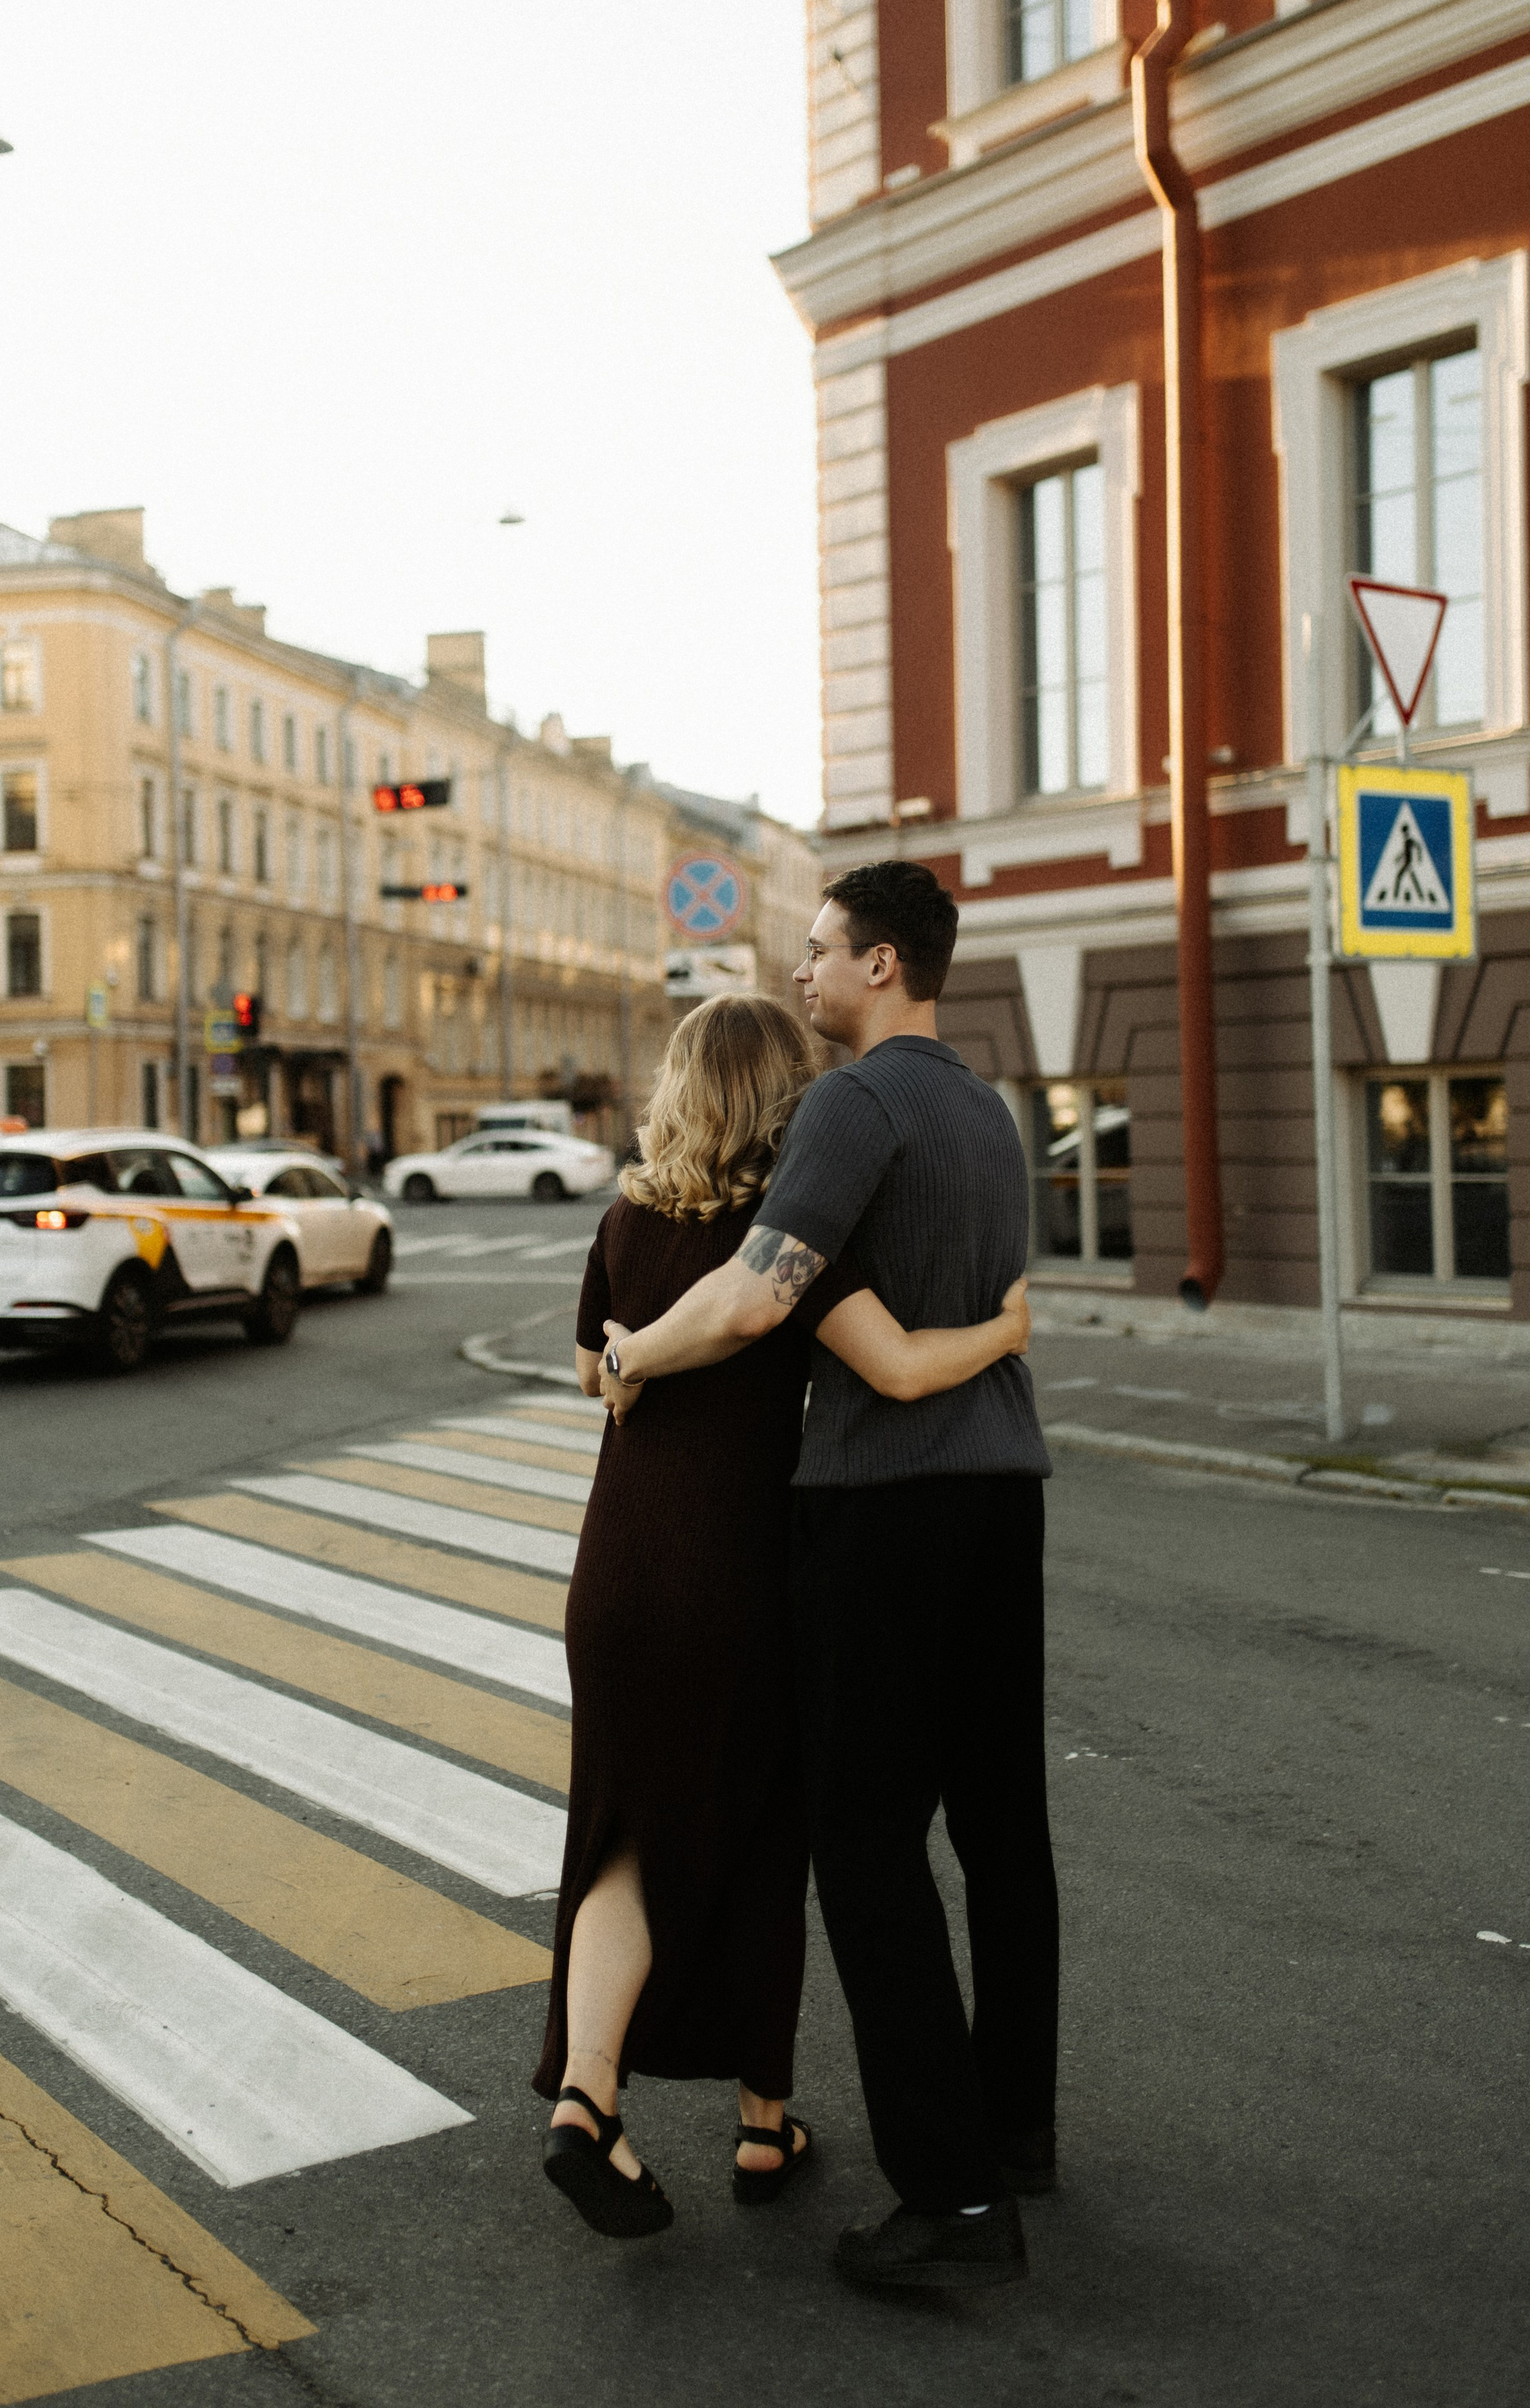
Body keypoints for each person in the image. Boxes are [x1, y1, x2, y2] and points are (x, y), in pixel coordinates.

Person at [596, 862, 1055, 2291]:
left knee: (861, 1845)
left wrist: (629, 1353)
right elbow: (989, 1305)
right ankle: (1011, 2131)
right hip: (1002, 1495)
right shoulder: (984, 1108)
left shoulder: (848, 1105)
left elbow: (755, 1291)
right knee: (1000, 1828)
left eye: (817, 951)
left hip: (881, 1512)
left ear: (878, 964)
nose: (800, 974)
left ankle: (951, 2202)